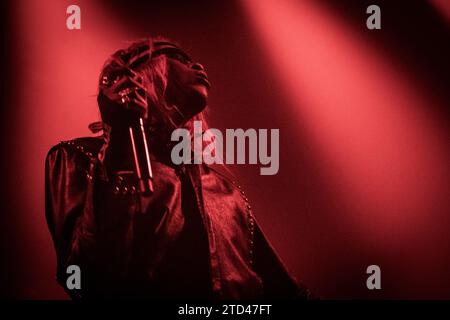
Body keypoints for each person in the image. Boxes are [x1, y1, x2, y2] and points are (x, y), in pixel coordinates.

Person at [45, 37, 312, 299]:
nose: (199, 66)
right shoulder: (78, 158)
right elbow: (83, 278)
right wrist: (120, 149)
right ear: (144, 75)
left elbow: (283, 290)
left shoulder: (224, 189)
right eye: (181, 59)